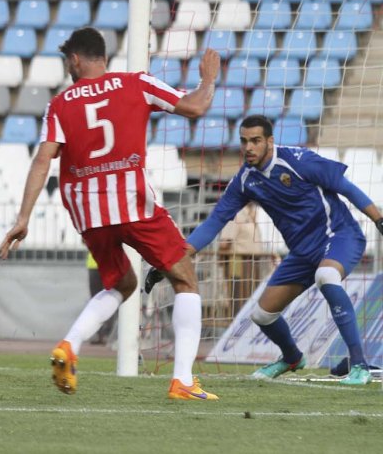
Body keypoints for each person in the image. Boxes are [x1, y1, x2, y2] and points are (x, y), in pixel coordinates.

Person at [0, 27, 220, 400]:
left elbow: (42, 160)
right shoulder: (137, 84)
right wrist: (209, 78)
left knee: (121, 284)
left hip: (86, 208)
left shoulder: (60, 104)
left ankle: (69, 346)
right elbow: (196, 106)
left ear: (74, 59)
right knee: (184, 277)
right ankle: (182, 380)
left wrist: (23, 218)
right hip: (130, 200)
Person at [148, 115, 383, 387]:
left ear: (269, 142)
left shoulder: (298, 161)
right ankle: (292, 357)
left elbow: (347, 188)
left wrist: (378, 220)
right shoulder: (246, 180)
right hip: (302, 253)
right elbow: (214, 222)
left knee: (327, 276)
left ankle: (359, 365)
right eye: (245, 141)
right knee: (262, 315)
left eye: (256, 141)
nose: (249, 147)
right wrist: (174, 257)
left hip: (340, 236)